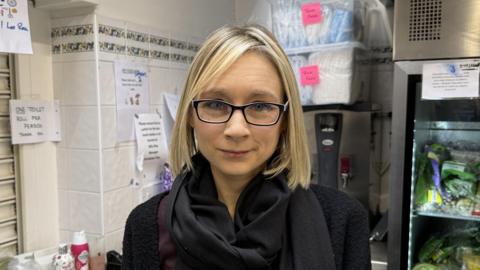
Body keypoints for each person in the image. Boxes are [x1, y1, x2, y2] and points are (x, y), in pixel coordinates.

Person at [122, 24, 371, 270]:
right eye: (216, 104)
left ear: (285, 119)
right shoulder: (146, 226)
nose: (236, 129)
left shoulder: (341, 221)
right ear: (190, 114)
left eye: (261, 106)